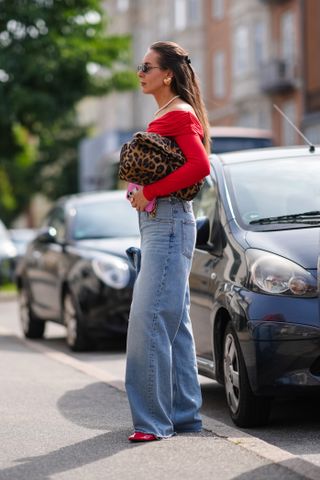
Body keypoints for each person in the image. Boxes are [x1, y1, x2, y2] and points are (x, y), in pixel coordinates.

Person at [125, 41, 211, 442]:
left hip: (169, 223)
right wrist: (139, 190)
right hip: (161, 224)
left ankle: (153, 424)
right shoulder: (168, 112)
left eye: (147, 66)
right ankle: (184, 416)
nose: (140, 72)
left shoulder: (178, 112)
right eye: (139, 66)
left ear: (167, 74)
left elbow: (200, 164)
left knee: (149, 323)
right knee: (174, 324)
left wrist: (153, 191)